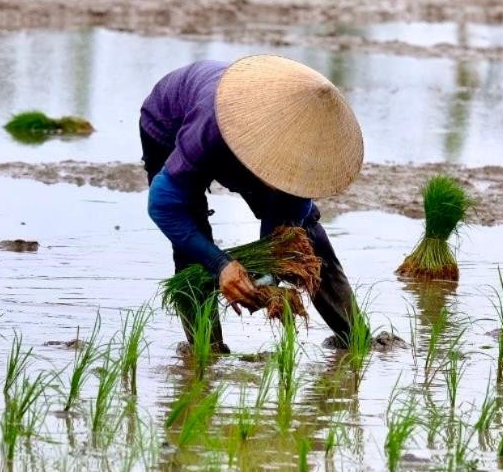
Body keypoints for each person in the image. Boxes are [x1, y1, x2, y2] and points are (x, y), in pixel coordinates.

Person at [141, 55, 362, 351]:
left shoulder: (305, 151)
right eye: (278, 173)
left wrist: (267, 276)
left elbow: (284, 231)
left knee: (304, 237)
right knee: (190, 235)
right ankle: (205, 351)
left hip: (246, 133)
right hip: (170, 123)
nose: (284, 180)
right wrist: (221, 265)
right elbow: (164, 205)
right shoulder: (211, 127)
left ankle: (355, 338)